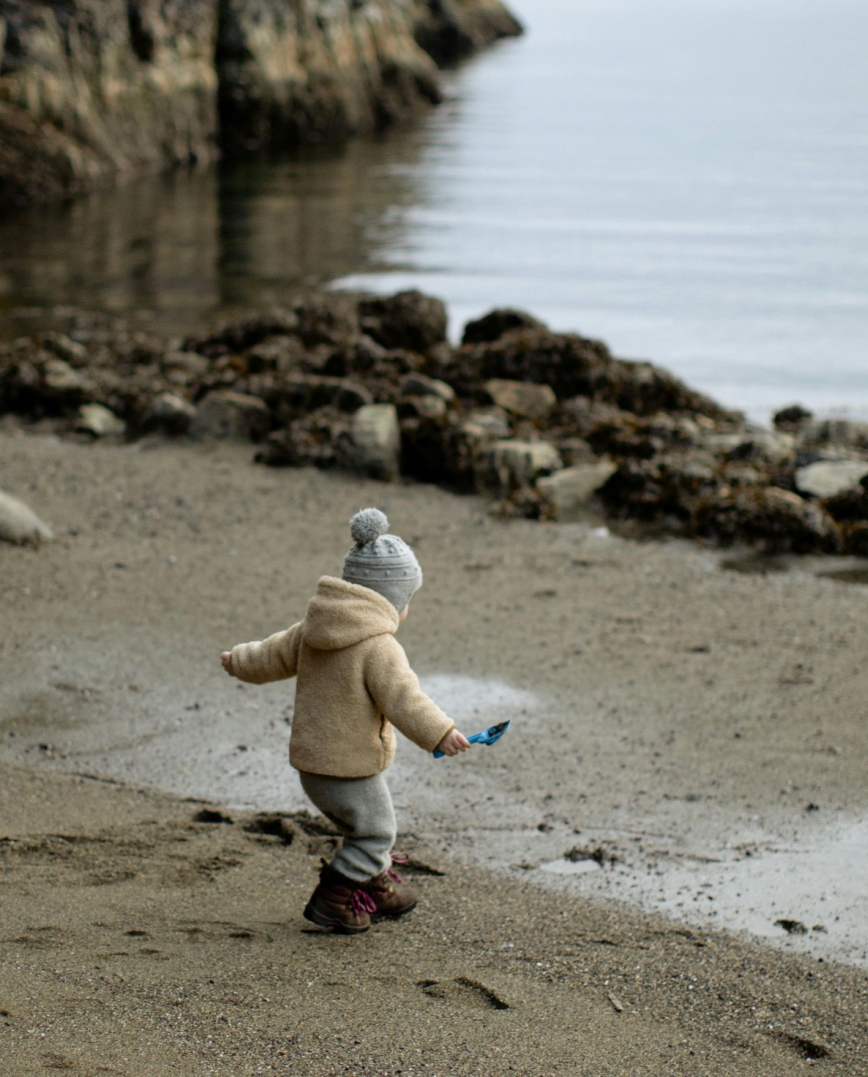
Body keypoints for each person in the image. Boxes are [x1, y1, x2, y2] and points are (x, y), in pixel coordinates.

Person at [220, 507, 470, 934]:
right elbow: (405, 700)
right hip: (348, 768)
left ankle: (374, 886)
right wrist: (441, 732)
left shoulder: (312, 628)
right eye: (407, 601)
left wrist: (238, 660)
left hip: (312, 765)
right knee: (375, 833)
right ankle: (334, 899)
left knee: (362, 827)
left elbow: (270, 655)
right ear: (388, 600)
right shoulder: (379, 648)